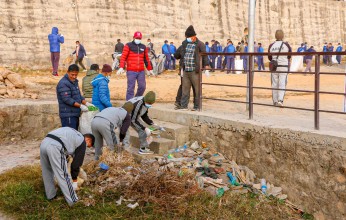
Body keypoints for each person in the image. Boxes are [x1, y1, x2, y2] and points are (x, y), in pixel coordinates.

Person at [40, 127, 95, 206]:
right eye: (89, 146)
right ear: (88, 140)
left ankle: (51, 196)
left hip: (44, 142)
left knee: (47, 171)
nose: (87, 148)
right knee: (64, 175)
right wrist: (75, 181)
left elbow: (66, 157)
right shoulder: (82, 141)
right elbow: (76, 165)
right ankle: (73, 201)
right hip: (55, 146)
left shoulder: (73, 134)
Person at [174, 25, 210, 111]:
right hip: (186, 70)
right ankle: (183, 106)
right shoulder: (184, 44)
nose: (187, 38)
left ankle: (197, 106)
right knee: (185, 89)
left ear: (194, 36)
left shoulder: (200, 44)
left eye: (188, 37)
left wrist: (206, 65)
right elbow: (178, 54)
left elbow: (204, 55)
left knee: (197, 89)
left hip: (195, 70)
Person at [117, 31, 153, 100]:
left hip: (141, 71)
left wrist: (150, 69)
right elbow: (123, 57)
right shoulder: (128, 45)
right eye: (137, 38)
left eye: (139, 38)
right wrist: (121, 67)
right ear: (133, 37)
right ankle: (129, 103)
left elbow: (146, 59)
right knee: (131, 88)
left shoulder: (143, 47)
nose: (138, 39)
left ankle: (136, 100)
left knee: (142, 87)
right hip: (131, 71)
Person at [57, 64, 93, 130]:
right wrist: (80, 106)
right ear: (68, 72)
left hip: (75, 113)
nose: (74, 77)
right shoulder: (63, 83)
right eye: (72, 74)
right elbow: (67, 99)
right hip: (68, 114)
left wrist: (87, 104)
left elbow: (78, 95)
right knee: (69, 135)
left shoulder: (74, 82)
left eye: (76, 75)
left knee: (75, 134)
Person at [268, 29, 292, 107]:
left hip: (274, 67)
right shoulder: (286, 45)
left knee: (274, 83)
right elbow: (289, 56)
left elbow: (269, 57)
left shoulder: (271, 45)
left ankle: (274, 101)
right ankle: (280, 100)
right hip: (283, 67)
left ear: (275, 36)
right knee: (282, 83)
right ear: (283, 36)